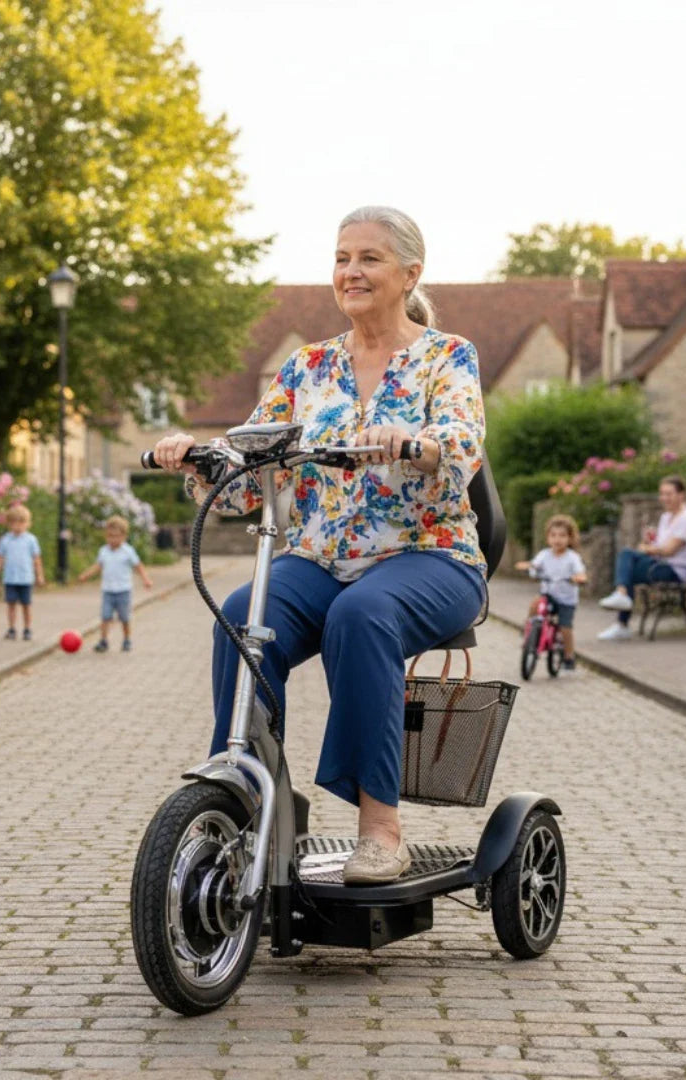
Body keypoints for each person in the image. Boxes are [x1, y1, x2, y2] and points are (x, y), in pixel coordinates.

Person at [153, 205, 487, 885]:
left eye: (368, 258)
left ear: (409, 273)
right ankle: (248, 801)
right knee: (244, 617)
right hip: (322, 558)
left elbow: (463, 443)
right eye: (342, 258)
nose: (350, 271)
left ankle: (380, 830)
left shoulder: (446, 356)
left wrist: (418, 445)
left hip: (430, 556)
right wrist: (198, 456)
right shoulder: (308, 368)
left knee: (361, 615)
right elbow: (249, 464)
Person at [597, 475, 686, 641]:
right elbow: (660, 545)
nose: (664, 498)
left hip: (675, 571)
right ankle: (622, 602)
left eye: (669, 494)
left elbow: (669, 550)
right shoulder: (666, 517)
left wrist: (647, 548)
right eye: (662, 494)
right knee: (627, 556)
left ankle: (622, 618)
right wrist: (650, 542)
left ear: (681, 495)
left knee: (627, 569)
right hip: (661, 564)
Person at [514, 514, 587, 671]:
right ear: (548, 538)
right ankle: (529, 630)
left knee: (565, 627)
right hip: (548, 595)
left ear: (570, 538)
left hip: (566, 599)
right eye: (553, 535)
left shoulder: (572, 558)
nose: (557, 539)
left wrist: (578, 578)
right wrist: (528, 566)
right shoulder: (544, 555)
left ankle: (569, 657)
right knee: (535, 604)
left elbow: (580, 573)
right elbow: (535, 565)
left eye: (562, 535)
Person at [77, 515, 153, 652]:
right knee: (105, 616)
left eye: (116, 536)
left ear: (124, 536)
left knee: (124, 617)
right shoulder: (104, 551)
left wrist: (146, 579)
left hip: (123, 591)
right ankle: (103, 641)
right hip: (108, 590)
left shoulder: (128, 551)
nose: (113, 539)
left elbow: (138, 566)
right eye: (110, 536)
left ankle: (127, 639)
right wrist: (86, 575)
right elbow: (98, 566)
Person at [0, 504, 44, 641]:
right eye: (14, 523)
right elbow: (0, 559)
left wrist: (40, 575)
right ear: (9, 524)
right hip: (10, 578)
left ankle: (27, 629)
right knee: (11, 604)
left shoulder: (31, 540)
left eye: (21, 522)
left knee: (26, 605)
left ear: (27, 523)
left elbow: (36, 559)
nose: (18, 526)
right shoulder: (5, 540)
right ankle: (12, 628)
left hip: (25, 578)